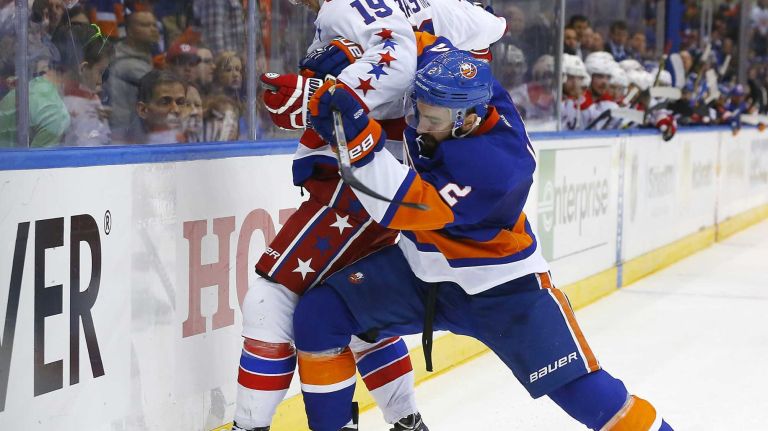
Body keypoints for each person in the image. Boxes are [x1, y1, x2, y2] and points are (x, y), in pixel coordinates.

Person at [292, 42, 675, 431]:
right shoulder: (474, 90)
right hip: (421, 272)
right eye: (418, 113)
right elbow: (425, 39)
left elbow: (395, 204)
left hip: (503, 290)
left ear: (468, 120)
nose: (420, 127)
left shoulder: (493, 168)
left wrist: (354, 133)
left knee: (588, 396)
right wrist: (363, 53)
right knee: (321, 315)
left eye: (432, 120)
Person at [233, 0, 506, 429]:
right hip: (383, 175)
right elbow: (469, 42)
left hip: (357, 176)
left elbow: (396, 59)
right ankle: (406, 421)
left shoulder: (351, 6)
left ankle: (249, 426)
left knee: (270, 303)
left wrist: (319, 99)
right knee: (358, 315)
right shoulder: (448, 14)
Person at [54, 23, 115, 147]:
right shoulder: (66, 104)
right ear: (83, 68)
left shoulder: (91, 98)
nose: (101, 81)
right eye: (100, 72)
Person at [108, 10, 160, 143]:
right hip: (123, 137)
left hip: (134, 134)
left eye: (154, 25)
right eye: (145, 25)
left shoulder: (142, 58)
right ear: (129, 31)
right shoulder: (127, 63)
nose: (153, 29)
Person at [134, 69, 187, 144]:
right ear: (143, 110)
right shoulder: (125, 145)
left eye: (180, 102)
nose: (176, 110)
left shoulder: (193, 142)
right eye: (165, 102)